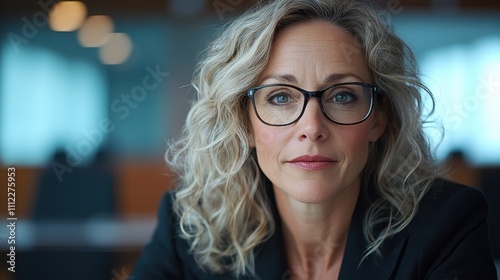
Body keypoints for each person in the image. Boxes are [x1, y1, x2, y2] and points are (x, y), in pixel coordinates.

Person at [133, 0, 498, 279]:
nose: (312, 127)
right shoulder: (189, 225)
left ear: (379, 119)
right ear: (244, 123)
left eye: (342, 96)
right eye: (280, 97)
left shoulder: (447, 225)